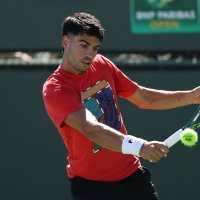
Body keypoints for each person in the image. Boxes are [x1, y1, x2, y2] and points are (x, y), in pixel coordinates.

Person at [42, 12, 200, 200]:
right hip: (90, 187)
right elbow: (91, 129)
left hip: (132, 176)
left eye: (95, 48)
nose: (90, 54)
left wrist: (191, 96)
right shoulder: (56, 89)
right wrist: (140, 147)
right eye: (84, 45)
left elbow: (143, 98)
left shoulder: (101, 64)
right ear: (65, 42)